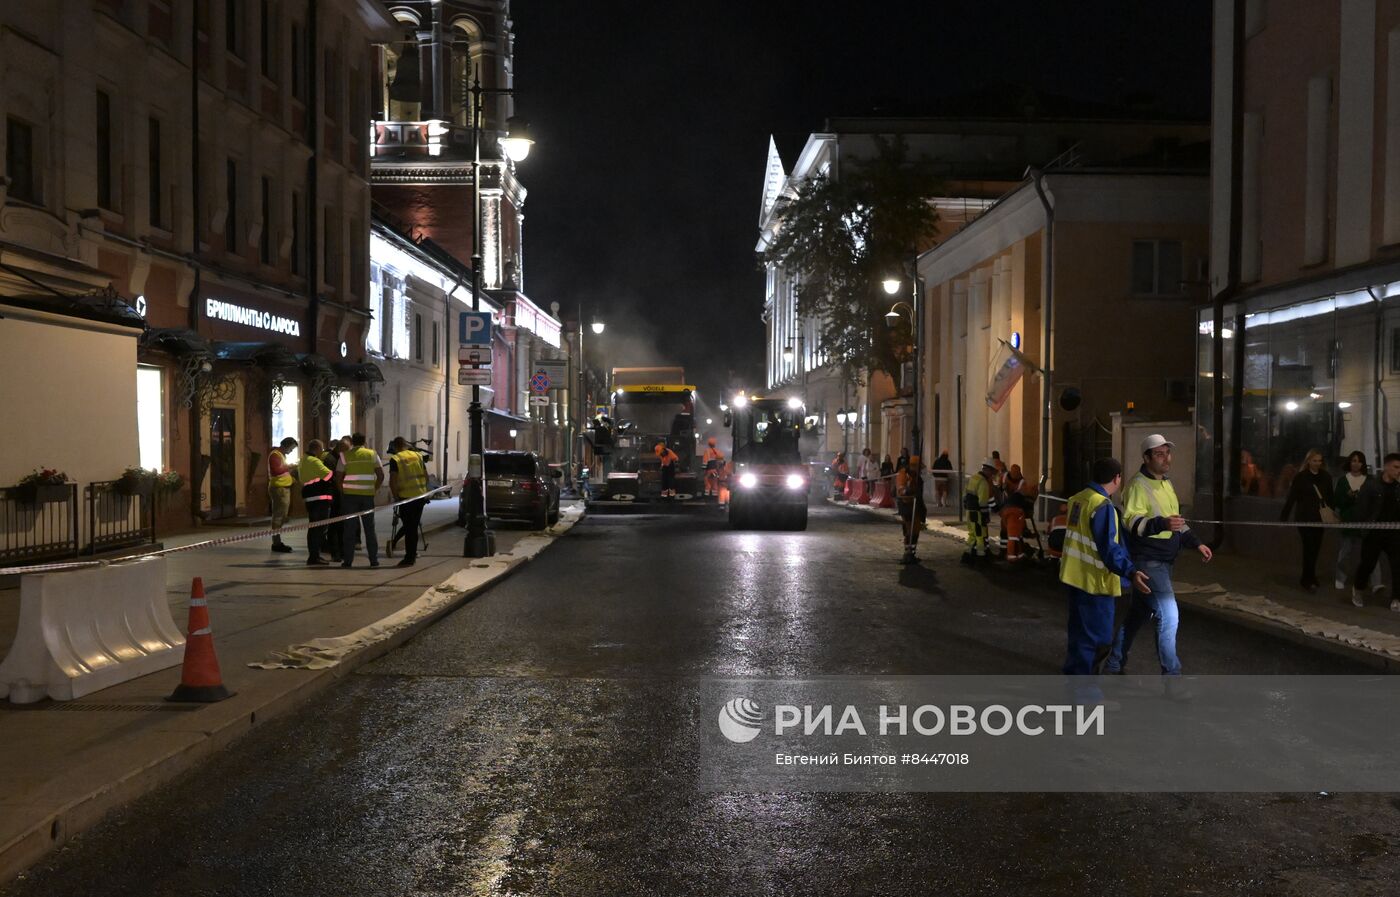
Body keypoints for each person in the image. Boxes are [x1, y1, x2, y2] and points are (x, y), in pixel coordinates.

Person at [1103, 434, 1213, 678]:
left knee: (1137, 615)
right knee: (1169, 617)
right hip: (1149, 563)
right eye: (1160, 454)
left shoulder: (1166, 483)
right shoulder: (1137, 486)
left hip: (1165, 561)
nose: (1166, 458)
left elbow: (1175, 522)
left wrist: (1196, 543)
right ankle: (1172, 676)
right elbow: (1132, 522)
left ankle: (1113, 663)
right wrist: (1162, 523)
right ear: (1146, 458)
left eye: (1167, 453)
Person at [1059, 457, 1151, 676]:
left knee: (1079, 636)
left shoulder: (1078, 499)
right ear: (1117, 478)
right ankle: (1086, 696)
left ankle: (1073, 682)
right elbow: (1109, 548)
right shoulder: (1102, 506)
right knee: (1097, 642)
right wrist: (1130, 571)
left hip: (1075, 578)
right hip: (1095, 583)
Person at [1350, 452, 1400, 611]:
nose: (1398, 471)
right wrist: (1363, 528)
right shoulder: (1372, 485)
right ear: (1386, 467)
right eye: (1396, 467)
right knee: (1368, 564)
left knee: (1397, 565)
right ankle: (1358, 589)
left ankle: (1397, 598)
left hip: (1394, 533)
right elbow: (1360, 508)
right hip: (1374, 532)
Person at [1279, 449, 1333, 591]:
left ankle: (1310, 575)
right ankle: (1307, 578)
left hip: (1319, 519)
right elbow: (1292, 498)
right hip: (1304, 518)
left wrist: (1331, 514)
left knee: (1315, 548)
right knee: (1308, 547)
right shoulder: (1301, 477)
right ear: (1308, 461)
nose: (1317, 463)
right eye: (1314, 460)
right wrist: (1284, 516)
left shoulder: (1326, 477)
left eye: (1319, 461)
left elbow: (1330, 497)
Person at [336, 433, 383, 568]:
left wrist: (343, 492)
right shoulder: (372, 454)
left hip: (349, 497)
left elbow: (338, 477)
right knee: (370, 529)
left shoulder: (345, 456)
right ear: (364, 442)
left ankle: (348, 561)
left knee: (349, 530)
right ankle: (373, 560)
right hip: (367, 497)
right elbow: (381, 475)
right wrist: (374, 489)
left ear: (352, 442)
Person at [387, 436, 430, 568]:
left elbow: (393, 481)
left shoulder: (396, 459)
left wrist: (396, 498)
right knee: (413, 526)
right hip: (419, 497)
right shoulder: (418, 456)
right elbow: (426, 477)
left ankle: (409, 557)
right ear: (405, 445)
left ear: (395, 447)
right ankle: (411, 555)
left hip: (405, 498)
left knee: (409, 527)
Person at [1333, 451, 1371, 591]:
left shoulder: (1368, 480)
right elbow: (1337, 500)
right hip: (1348, 520)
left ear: (1363, 463)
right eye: (1354, 460)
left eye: (1359, 461)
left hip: (1364, 522)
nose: (1356, 463)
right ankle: (1340, 578)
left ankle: (1366, 581)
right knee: (1345, 551)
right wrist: (1348, 497)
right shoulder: (1343, 480)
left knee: (1367, 553)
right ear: (1349, 462)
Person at [296, 439, 335, 566]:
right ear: (317, 449)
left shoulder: (303, 460)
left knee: (313, 528)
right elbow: (328, 475)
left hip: (310, 497)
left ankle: (314, 555)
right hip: (319, 498)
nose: (321, 452)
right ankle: (314, 556)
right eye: (321, 449)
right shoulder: (314, 461)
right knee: (319, 529)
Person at [961, 459, 998, 564]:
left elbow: (965, 494)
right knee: (980, 535)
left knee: (972, 534)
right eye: (992, 472)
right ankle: (981, 558)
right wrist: (986, 515)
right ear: (989, 471)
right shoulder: (983, 482)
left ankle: (966, 555)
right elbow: (983, 502)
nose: (993, 475)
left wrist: (967, 506)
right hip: (977, 512)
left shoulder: (974, 478)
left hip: (969, 511)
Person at [267, 437, 298, 553]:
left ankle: (277, 540)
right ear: (287, 445)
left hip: (283, 488)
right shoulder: (275, 455)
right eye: (291, 448)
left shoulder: (280, 455)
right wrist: (290, 466)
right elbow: (276, 470)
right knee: (279, 515)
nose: (291, 451)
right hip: (279, 489)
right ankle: (276, 542)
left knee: (281, 515)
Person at [896, 454, 927, 564]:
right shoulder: (904, 474)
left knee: (916, 529)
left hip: (916, 505)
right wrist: (908, 491)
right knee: (909, 529)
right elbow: (901, 490)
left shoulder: (917, 477)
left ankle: (912, 552)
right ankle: (907, 553)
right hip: (907, 506)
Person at [319, 439, 345, 562]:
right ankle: (336, 552)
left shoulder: (337, 458)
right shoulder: (330, 460)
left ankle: (340, 551)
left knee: (339, 525)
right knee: (335, 526)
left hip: (336, 495)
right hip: (334, 496)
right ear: (340, 449)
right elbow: (333, 478)